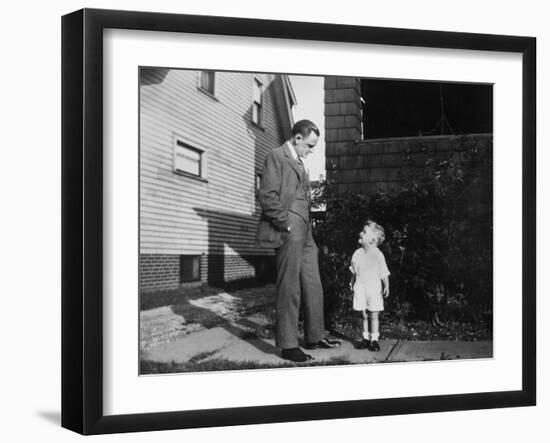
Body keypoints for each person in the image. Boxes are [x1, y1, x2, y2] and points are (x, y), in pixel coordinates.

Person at [256, 119, 340, 362]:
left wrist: (305, 226)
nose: (311, 151)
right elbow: (267, 196)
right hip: (289, 230)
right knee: (289, 287)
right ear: (298, 138)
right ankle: (288, 344)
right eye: (310, 145)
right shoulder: (276, 156)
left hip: (306, 232)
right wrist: (286, 223)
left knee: (313, 283)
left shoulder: (299, 161)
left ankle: (314, 336)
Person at [349, 220, 390, 351]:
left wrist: (386, 286)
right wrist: (352, 282)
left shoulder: (377, 254)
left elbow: (383, 271)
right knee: (363, 314)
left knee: (373, 314)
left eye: (364, 232)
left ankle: (374, 339)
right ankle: (365, 338)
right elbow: (354, 271)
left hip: (373, 289)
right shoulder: (357, 254)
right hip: (361, 287)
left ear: (372, 240)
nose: (360, 233)